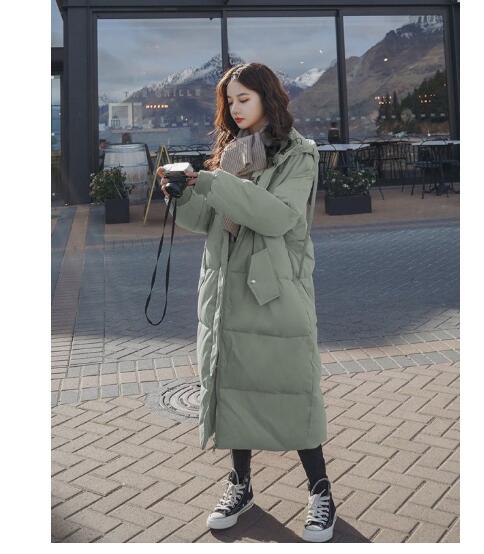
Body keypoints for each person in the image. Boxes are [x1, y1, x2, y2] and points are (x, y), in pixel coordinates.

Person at [157, 62, 336, 543]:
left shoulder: (299, 154)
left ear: (266, 98)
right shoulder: (231, 153)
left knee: (293, 386)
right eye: (230, 101)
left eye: (244, 98)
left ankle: (320, 490)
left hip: (275, 289)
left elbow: (277, 217)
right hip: (225, 290)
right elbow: (208, 220)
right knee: (232, 384)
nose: (235, 109)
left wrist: (211, 182)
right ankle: (240, 484)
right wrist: (182, 196)